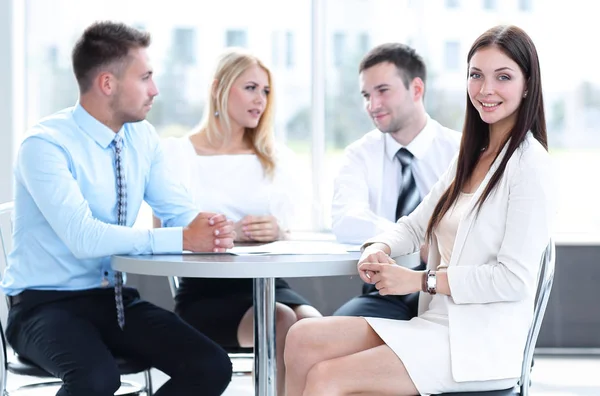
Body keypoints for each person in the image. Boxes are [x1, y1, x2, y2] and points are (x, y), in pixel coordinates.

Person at [284, 25, 554, 396]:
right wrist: (378, 247)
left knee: (327, 378)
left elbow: (512, 279)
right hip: (436, 324)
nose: (485, 89)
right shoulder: (470, 156)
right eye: (476, 75)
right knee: (302, 336)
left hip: (478, 345)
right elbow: (413, 226)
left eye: (502, 77)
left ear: (527, 85)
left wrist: (419, 281)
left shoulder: (530, 165)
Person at [0, 21, 235, 396]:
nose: (155, 90)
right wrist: (183, 237)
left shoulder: (141, 137)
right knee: (96, 379)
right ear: (108, 83)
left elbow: (179, 212)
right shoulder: (45, 145)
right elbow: (83, 237)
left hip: (114, 301)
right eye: (145, 77)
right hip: (43, 307)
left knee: (210, 365)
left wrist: (210, 228)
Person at [157, 48, 321, 396]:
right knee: (279, 322)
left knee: (315, 328)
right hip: (206, 290)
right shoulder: (178, 154)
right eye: (250, 87)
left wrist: (277, 229)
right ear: (218, 88)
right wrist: (217, 234)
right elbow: (161, 232)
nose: (260, 99)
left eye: (265, 91)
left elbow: (292, 225)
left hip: (269, 283)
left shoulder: (273, 157)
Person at [332, 43, 461, 321]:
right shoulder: (360, 154)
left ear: (416, 89)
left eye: (382, 91)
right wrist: (407, 240)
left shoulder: (460, 151)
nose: (372, 105)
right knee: (313, 339)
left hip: (447, 295)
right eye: (366, 95)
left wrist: (434, 246)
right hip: (384, 292)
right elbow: (346, 221)